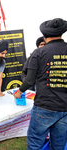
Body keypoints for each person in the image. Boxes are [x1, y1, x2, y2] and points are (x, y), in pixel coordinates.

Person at [14, 18, 67, 150]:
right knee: (59, 144)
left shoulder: (39, 52)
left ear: (44, 36)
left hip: (45, 106)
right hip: (65, 107)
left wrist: (19, 91)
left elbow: (29, 79)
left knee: (35, 142)